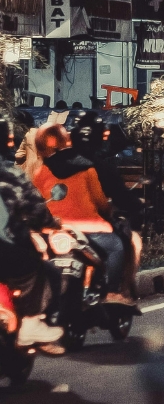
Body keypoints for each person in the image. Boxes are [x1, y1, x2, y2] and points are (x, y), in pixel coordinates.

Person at [32, 124, 134, 306]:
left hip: (53, 231)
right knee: (116, 247)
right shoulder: (87, 169)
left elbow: (35, 203)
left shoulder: (40, 173)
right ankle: (111, 292)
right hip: (90, 229)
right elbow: (100, 201)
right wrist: (107, 211)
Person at [0, 118, 65, 351]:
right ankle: (30, 323)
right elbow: (36, 210)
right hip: (7, 250)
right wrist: (49, 222)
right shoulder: (10, 174)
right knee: (40, 269)